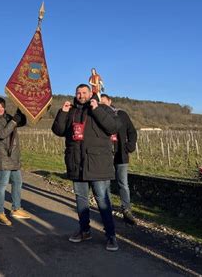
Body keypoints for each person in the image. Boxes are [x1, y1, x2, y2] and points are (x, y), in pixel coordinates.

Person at [52, 84, 119, 251]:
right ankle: (84, 230)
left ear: (91, 94)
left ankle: (111, 235)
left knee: (102, 200)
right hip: (76, 162)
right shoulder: (72, 111)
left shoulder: (103, 108)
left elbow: (113, 127)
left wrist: (97, 110)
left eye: (84, 93)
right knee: (81, 200)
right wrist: (63, 112)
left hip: (98, 163)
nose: (81, 95)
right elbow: (58, 130)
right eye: (78, 93)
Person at [0, 97, 30, 226]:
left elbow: (20, 122)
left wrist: (21, 113)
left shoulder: (7, 117)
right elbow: (1, 134)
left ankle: (16, 208)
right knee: (3, 184)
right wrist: (13, 121)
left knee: (18, 182)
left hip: (13, 156)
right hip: (3, 156)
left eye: (2, 106)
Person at [100, 94, 138, 225]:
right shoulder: (98, 116)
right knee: (105, 184)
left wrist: (130, 146)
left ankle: (126, 210)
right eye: (100, 104)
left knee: (123, 183)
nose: (103, 106)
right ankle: (107, 209)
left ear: (110, 102)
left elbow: (132, 131)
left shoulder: (122, 114)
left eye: (104, 103)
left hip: (121, 154)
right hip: (105, 155)